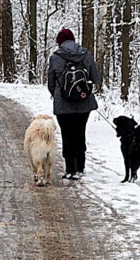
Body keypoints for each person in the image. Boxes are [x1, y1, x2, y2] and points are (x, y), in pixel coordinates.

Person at [47, 28, 101, 181]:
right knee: (79, 132)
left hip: (63, 105)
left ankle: (70, 169)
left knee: (67, 135)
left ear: (59, 42)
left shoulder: (55, 58)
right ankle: (81, 167)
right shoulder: (86, 54)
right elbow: (95, 78)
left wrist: (57, 94)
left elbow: (51, 83)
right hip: (84, 103)